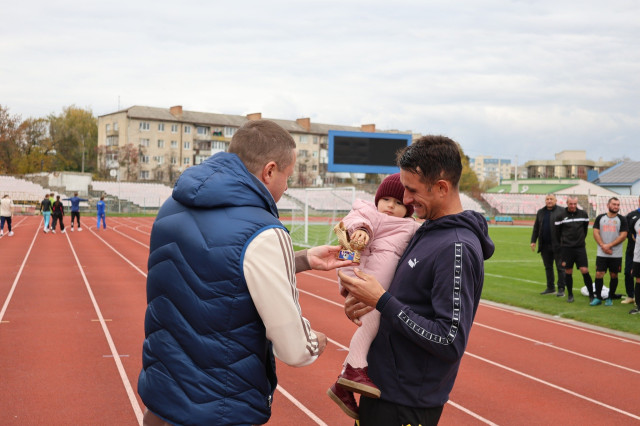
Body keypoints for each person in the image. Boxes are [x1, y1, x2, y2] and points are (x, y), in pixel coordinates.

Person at [137, 119, 353, 426]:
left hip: (162, 397)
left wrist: (303, 259)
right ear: (269, 171)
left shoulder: (173, 206)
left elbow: (217, 266)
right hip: (220, 407)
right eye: (288, 176)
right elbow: (294, 350)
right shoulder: (264, 230)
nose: (287, 186)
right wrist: (314, 342)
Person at [338, 135, 495, 426]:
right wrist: (364, 301)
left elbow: (449, 340)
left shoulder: (456, 247)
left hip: (406, 403)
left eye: (412, 190)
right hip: (381, 387)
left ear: (442, 187)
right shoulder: (427, 229)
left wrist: (382, 301)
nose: (406, 200)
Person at [327, 173, 421, 420]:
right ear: (377, 199)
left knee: (375, 323)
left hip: (378, 288)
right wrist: (361, 231)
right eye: (386, 199)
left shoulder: (409, 226)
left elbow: (427, 230)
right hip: (362, 279)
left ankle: (343, 384)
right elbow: (354, 220)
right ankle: (354, 369)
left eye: (398, 203)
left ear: (408, 208)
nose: (390, 206)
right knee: (372, 322)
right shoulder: (369, 213)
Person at [555, 196, 593, 303]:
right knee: (568, 271)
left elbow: (585, 230)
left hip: (580, 248)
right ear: (567, 203)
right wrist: (565, 243)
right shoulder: (560, 216)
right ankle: (570, 295)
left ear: (577, 203)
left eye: (575, 204)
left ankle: (591, 295)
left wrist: (579, 240)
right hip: (567, 248)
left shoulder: (583, 214)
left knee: (584, 270)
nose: (573, 206)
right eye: (571, 204)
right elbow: (557, 233)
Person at [591, 197, 628, 306]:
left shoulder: (622, 219)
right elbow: (595, 232)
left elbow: (623, 236)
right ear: (608, 205)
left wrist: (609, 245)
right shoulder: (600, 217)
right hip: (602, 252)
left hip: (615, 254)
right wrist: (603, 246)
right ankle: (598, 297)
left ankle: (610, 297)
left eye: (618, 205)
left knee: (614, 275)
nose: (616, 206)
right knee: (599, 273)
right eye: (614, 204)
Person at [530, 194, 565, 296]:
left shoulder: (562, 211)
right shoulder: (541, 212)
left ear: (555, 200)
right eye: (547, 199)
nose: (549, 201)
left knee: (560, 268)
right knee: (548, 267)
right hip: (545, 245)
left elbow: (566, 228)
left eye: (551, 199)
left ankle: (561, 288)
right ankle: (550, 288)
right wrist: (533, 241)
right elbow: (536, 227)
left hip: (558, 245)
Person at [623, 196, 640, 304]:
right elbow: (625, 230)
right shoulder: (631, 215)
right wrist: (632, 236)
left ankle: (638, 299)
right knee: (628, 272)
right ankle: (630, 296)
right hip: (632, 250)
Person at [629, 218, 640, 315]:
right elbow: (633, 236)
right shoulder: (636, 221)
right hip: (638, 257)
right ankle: (639, 307)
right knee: (638, 280)